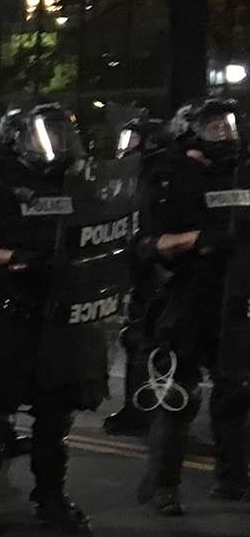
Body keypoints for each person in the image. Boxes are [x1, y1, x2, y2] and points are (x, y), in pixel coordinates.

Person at [0, 103, 116, 537]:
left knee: (54, 417)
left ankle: (50, 498)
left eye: (60, 134)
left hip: (64, 316)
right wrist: (13, 258)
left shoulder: (81, 184)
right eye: (43, 135)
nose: (53, 144)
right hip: (9, 314)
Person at [134, 95, 250, 512]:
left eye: (228, 125)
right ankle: (162, 486)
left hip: (233, 296)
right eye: (215, 126)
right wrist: (197, 241)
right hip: (184, 296)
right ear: (190, 131)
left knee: (235, 391)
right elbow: (149, 245)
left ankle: (234, 479)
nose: (225, 132)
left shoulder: (240, 173)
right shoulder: (166, 175)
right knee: (177, 394)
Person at [102, 112, 169, 438]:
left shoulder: (156, 176)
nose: (126, 149)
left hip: (153, 272)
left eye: (132, 141)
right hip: (145, 270)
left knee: (143, 341)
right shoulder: (143, 175)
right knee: (140, 340)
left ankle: (142, 411)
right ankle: (143, 409)